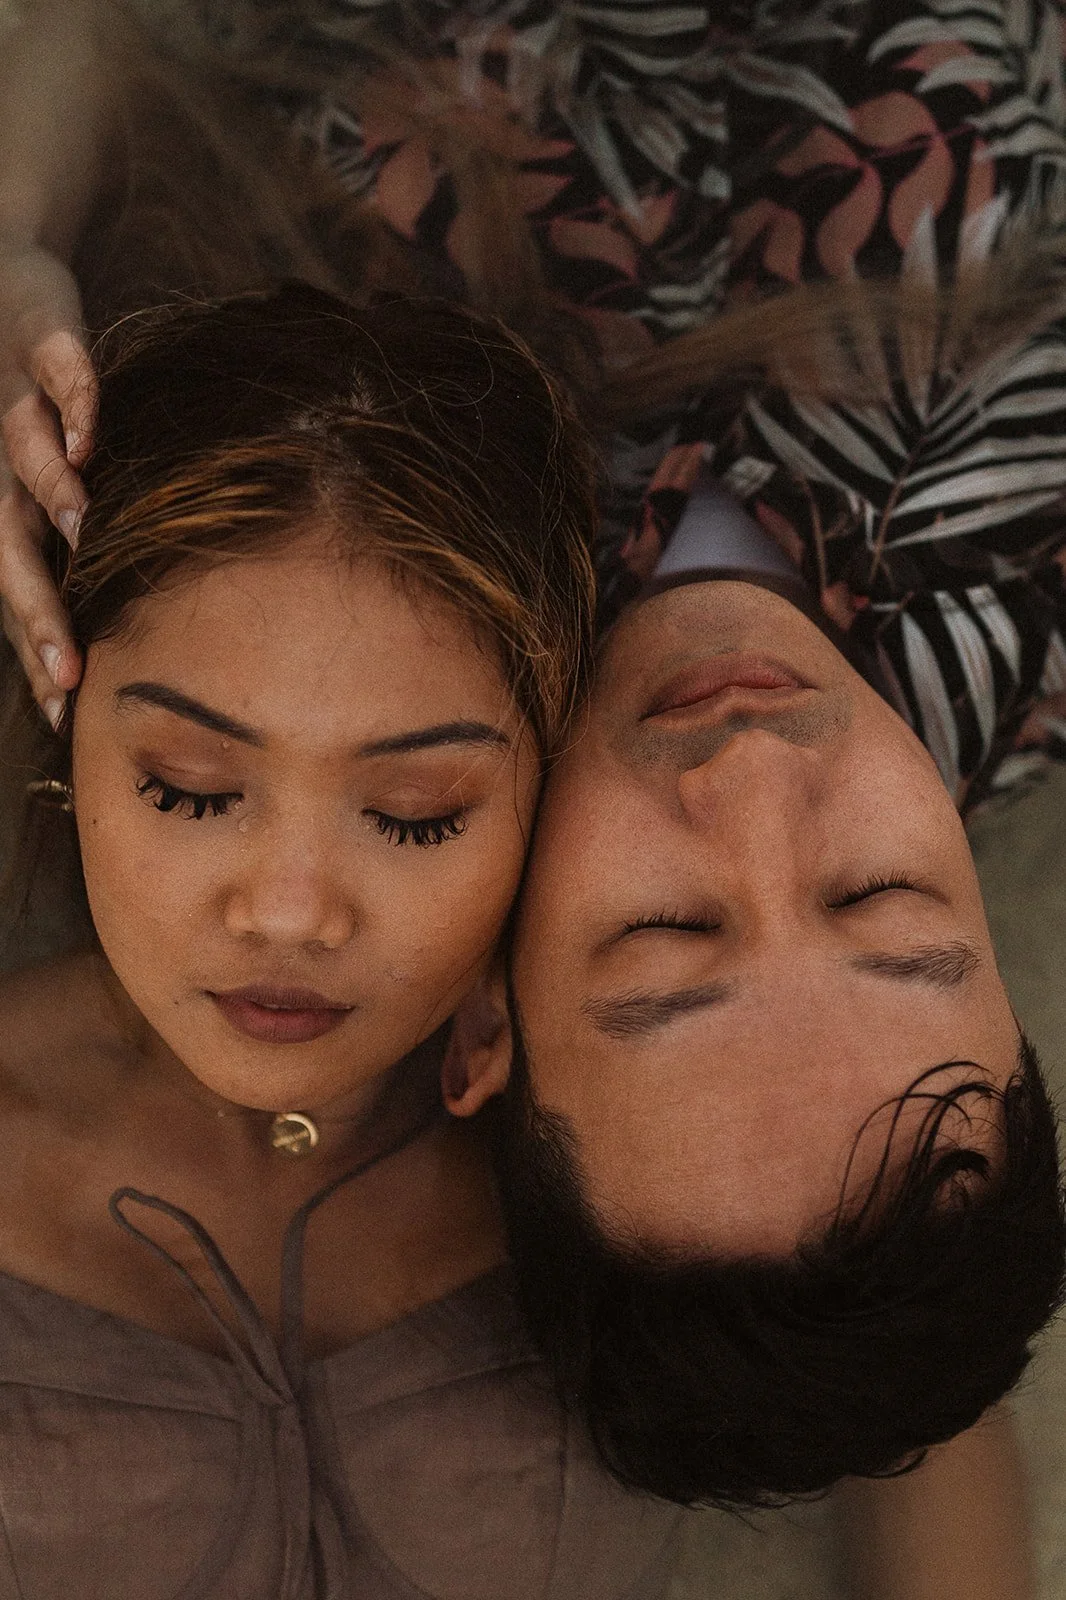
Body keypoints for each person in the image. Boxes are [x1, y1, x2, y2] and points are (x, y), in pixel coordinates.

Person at [0, 3, 1063, 1597]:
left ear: (486, 1016)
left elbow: (110, 37)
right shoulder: (1028, 612)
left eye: (664, 931)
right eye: (878, 896)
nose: (751, 773)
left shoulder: (342, 516)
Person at [0, 281, 697, 1597]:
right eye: (189, 790)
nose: (289, 912)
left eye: (416, 814)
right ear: (66, 723)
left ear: (548, 793)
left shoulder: (652, 1126)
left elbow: (911, 1394)